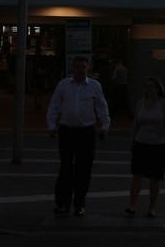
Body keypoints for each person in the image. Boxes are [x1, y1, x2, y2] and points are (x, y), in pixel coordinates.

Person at [46, 55, 110, 216]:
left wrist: (105, 127)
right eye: (78, 66)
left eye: (83, 67)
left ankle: (79, 203)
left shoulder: (94, 86)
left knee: (84, 169)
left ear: (88, 68)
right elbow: (54, 106)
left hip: (86, 131)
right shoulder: (64, 85)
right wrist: (52, 125)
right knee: (65, 167)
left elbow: (102, 107)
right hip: (67, 130)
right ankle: (62, 202)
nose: (80, 70)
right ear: (73, 68)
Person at [125, 76, 165, 217]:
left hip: (158, 144)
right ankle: (132, 205)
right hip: (141, 142)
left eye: (151, 86)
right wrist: (132, 141)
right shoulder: (140, 103)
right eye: (146, 85)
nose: (148, 88)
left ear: (158, 89)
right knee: (137, 174)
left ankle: (152, 208)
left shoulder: (164, 103)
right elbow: (136, 124)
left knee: (155, 177)